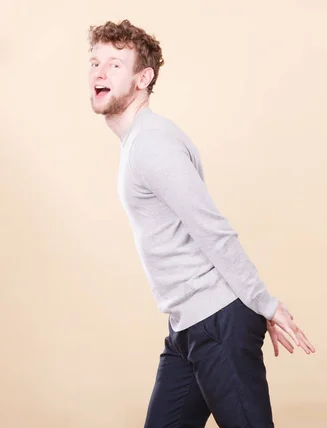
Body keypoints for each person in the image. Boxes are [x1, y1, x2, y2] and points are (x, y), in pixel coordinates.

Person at [87, 19, 315, 428]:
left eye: (115, 64)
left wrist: (263, 303)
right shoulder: (138, 141)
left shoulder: (152, 144)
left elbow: (211, 228)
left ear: (143, 78)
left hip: (217, 323)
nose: (99, 73)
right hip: (188, 327)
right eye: (95, 63)